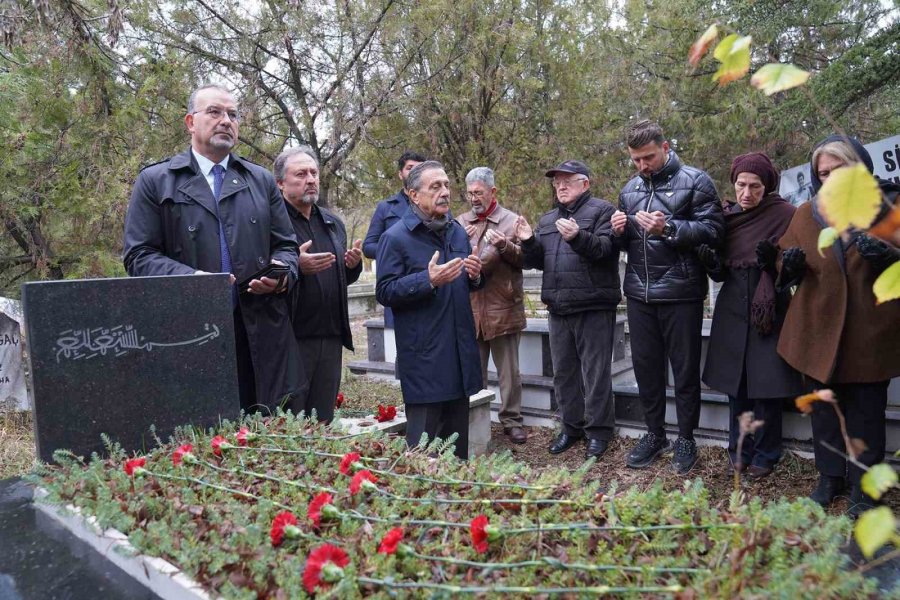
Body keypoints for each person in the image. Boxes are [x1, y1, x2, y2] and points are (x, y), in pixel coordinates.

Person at [124, 84, 303, 412]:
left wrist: (282, 274)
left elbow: (287, 246)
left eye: (233, 115)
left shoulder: (260, 180)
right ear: (190, 122)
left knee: (269, 442)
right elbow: (139, 256)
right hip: (189, 333)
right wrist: (194, 279)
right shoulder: (156, 180)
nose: (226, 121)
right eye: (215, 112)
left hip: (261, 335)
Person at [777, 135, 900, 516]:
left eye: (838, 170)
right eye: (822, 173)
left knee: (866, 413)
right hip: (817, 330)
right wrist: (789, 266)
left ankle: (865, 491)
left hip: (869, 332)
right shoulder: (806, 213)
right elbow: (782, 259)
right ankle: (829, 478)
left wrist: (889, 257)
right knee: (824, 411)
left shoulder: (888, 207)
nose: (829, 179)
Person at [611, 119, 724, 474]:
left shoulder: (696, 181)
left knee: (684, 370)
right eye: (635, 160)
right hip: (639, 293)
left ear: (665, 148)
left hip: (681, 292)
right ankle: (654, 433)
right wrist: (618, 231)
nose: (642, 166)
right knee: (646, 369)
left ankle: (686, 437)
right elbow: (627, 240)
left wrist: (670, 227)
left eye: (647, 157)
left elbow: (714, 231)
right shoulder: (629, 189)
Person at [698, 153, 805, 479]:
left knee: (767, 387)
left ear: (767, 186)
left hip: (769, 310)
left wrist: (776, 261)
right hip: (732, 309)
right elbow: (720, 274)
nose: (746, 193)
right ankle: (739, 449)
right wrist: (711, 264)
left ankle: (766, 453)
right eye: (741, 185)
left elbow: (795, 271)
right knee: (737, 386)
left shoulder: (786, 215)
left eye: (755, 186)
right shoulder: (726, 218)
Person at [375, 160, 484, 460]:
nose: (445, 192)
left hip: (459, 354)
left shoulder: (457, 232)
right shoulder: (395, 238)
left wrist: (474, 275)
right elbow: (384, 291)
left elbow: (464, 284)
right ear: (413, 195)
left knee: (456, 454)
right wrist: (427, 279)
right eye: (435, 186)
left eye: (447, 185)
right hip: (425, 360)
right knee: (423, 456)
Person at [515, 160, 621, 459]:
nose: (560, 186)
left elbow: (604, 250)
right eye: (556, 182)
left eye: (567, 181)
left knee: (595, 373)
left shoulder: (604, 211)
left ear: (584, 184)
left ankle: (599, 432)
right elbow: (537, 260)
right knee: (563, 373)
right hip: (559, 307)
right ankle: (571, 427)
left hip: (594, 306)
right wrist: (528, 241)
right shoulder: (549, 219)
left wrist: (577, 236)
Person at [274, 146, 362, 424]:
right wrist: (296, 266)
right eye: (300, 174)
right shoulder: (271, 222)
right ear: (280, 183)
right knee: (291, 421)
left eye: (314, 173)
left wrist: (351, 265)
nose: (310, 179)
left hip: (331, 338)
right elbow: (261, 272)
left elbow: (338, 279)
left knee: (323, 420)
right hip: (291, 339)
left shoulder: (332, 223)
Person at [456, 167, 528, 444]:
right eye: (471, 193)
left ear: (493, 192)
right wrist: (464, 238)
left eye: (480, 193)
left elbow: (525, 259)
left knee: (509, 371)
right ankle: (478, 419)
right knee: (475, 370)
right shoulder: (460, 222)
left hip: (503, 306)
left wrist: (505, 246)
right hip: (471, 307)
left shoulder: (512, 221)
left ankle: (512, 421)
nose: (474, 198)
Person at [363, 151, 426, 329]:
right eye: (410, 168)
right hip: (398, 287)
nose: (415, 172)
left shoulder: (437, 206)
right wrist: (397, 252)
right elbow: (368, 247)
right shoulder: (386, 208)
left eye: (420, 168)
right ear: (400, 174)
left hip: (431, 285)